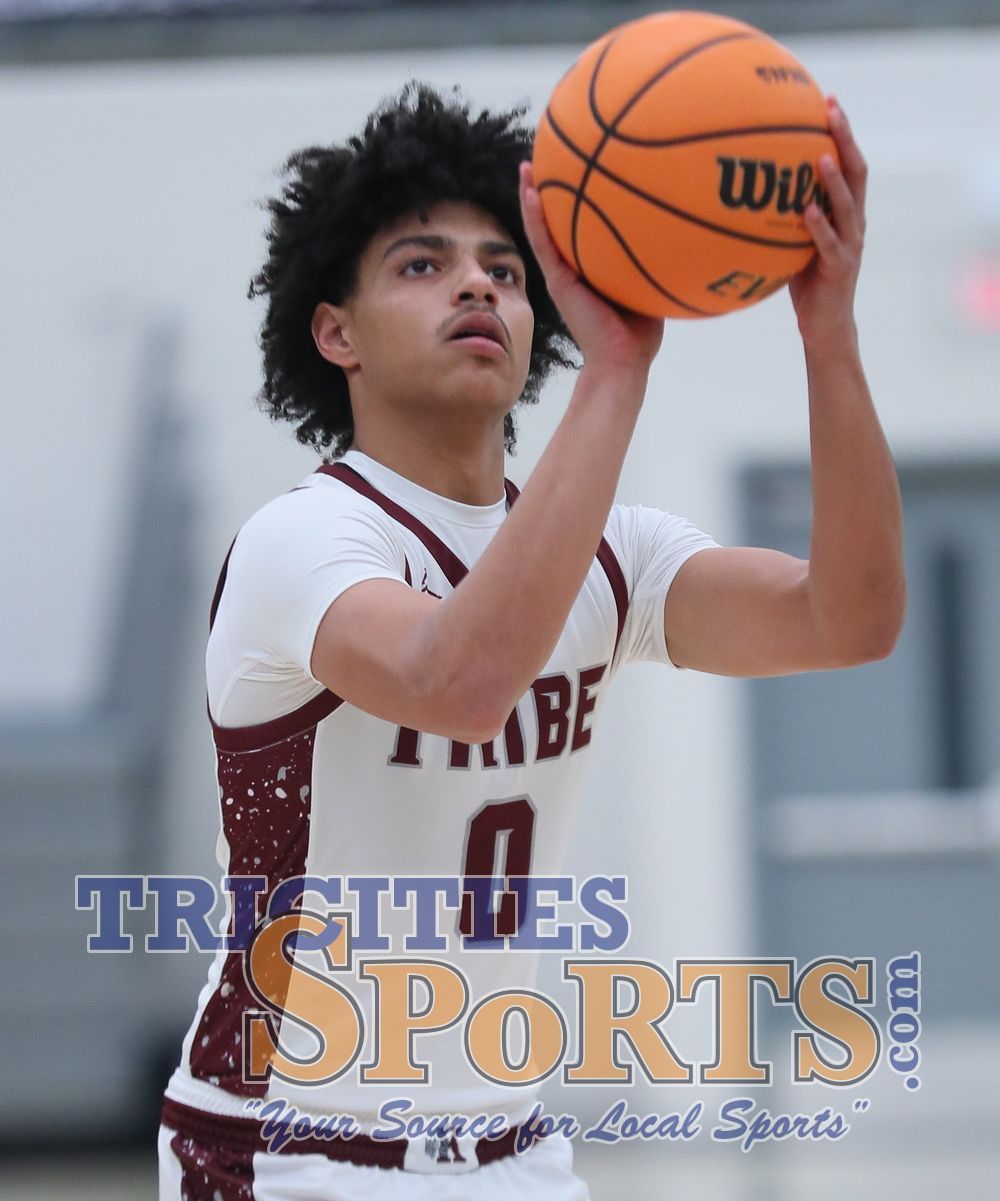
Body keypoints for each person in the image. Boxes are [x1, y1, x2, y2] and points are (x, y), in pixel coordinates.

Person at [158, 82, 905, 1200]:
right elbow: (459, 682)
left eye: (506, 271)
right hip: (287, 1152)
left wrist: (828, 337)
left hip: (514, 1148)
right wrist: (618, 372)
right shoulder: (301, 540)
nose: (477, 285)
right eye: (423, 264)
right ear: (336, 332)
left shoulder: (611, 555)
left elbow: (849, 619)